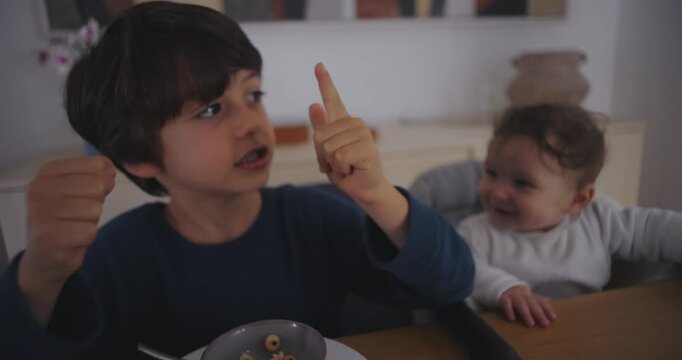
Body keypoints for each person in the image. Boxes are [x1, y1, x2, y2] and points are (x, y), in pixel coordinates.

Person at [0, 2, 474, 358]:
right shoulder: (119, 256)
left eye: (253, 93)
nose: (251, 122)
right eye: (210, 109)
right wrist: (41, 271)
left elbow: (449, 285)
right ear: (138, 156)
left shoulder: (312, 219)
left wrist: (379, 197)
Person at [457, 104, 682, 328]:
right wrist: (505, 288)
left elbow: (654, 229)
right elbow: (463, 269)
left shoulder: (599, 222)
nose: (496, 191)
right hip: (504, 337)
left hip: (585, 331)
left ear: (578, 200)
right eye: (492, 173)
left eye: (522, 183)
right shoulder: (474, 232)